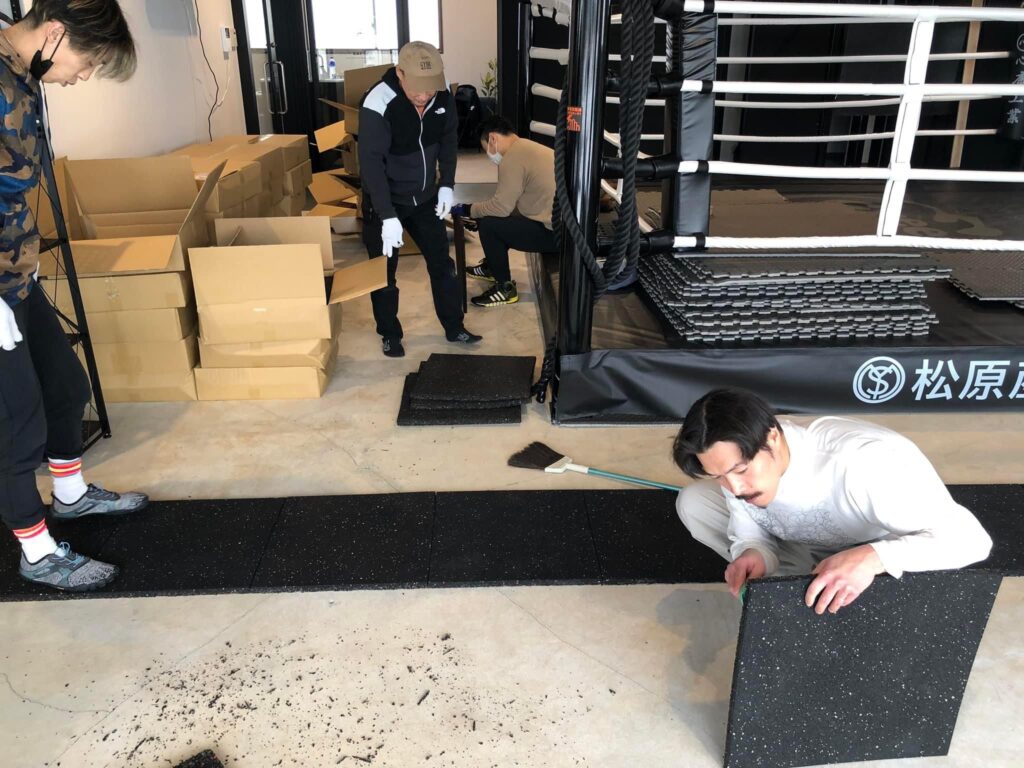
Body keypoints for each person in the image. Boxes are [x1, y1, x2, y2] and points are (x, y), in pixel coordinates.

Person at [1, 0, 146, 592]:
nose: (83, 76)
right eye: (87, 62)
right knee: (16, 423)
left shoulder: (20, 73)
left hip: (16, 271)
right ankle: (37, 553)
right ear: (56, 32)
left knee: (65, 387)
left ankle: (70, 495)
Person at [672, 388, 992, 615]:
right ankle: (792, 589)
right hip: (809, 545)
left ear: (772, 437)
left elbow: (973, 542)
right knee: (695, 502)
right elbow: (750, 530)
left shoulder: (866, 463)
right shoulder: (735, 473)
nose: (735, 487)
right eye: (719, 476)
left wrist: (872, 558)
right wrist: (753, 553)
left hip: (876, 554)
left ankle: (832, 590)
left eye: (740, 470)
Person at [358, 41, 481, 358]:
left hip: (425, 198)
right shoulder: (377, 102)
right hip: (387, 199)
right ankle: (389, 334)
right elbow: (371, 164)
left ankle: (454, 327)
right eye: (417, 90)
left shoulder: (441, 93)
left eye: (430, 90)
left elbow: (448, 140)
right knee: (384, 272)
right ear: (400, 73)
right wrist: (386, 215)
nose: (424, 96)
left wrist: (447, 184)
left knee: (442, 264)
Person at [452, 115, 557, 308]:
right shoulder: (526, 147)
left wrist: (467, 208)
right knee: (487, 216)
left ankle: (504, 289)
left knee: (489, 226)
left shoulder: (512, 158)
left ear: (493, 138)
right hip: (557, 225)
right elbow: (508, 204)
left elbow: (501, 207)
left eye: (486, 149)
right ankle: (492, 267)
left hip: (554, 234)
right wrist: (478, 212)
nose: (489, 155)